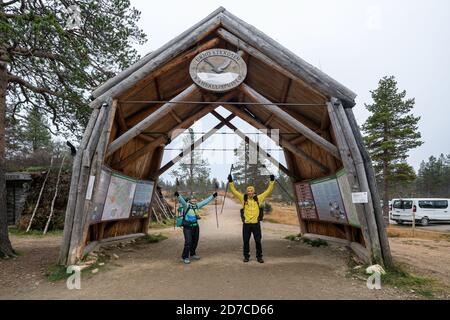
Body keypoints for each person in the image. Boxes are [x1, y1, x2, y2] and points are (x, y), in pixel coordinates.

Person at [228, 174, 275, 263]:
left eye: (251, 191)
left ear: (253, 192)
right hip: (246, 224)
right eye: (248, 191)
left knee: (258, 241)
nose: (249, 192)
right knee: (246, 241)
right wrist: (231, 181)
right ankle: (246, 257)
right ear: (247, 192)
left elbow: (268, 191)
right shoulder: (243, 198)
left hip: (256, 224)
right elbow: (234, 191)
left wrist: (272, 181)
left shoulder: (258, 198)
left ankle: (259, 257)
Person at [174, 191, 217, 264]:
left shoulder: (197, 206)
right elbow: (182, 201)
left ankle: (193, 254)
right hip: (188, 227)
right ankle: (185, 257)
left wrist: (213, 196)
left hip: (196, 227)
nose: (194, 200)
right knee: (188, 242)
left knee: (195, 242)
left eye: (195, 199)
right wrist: (178, 196)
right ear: (190, 200)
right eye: (192, 199)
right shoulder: (186, 206)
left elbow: (205, 202)